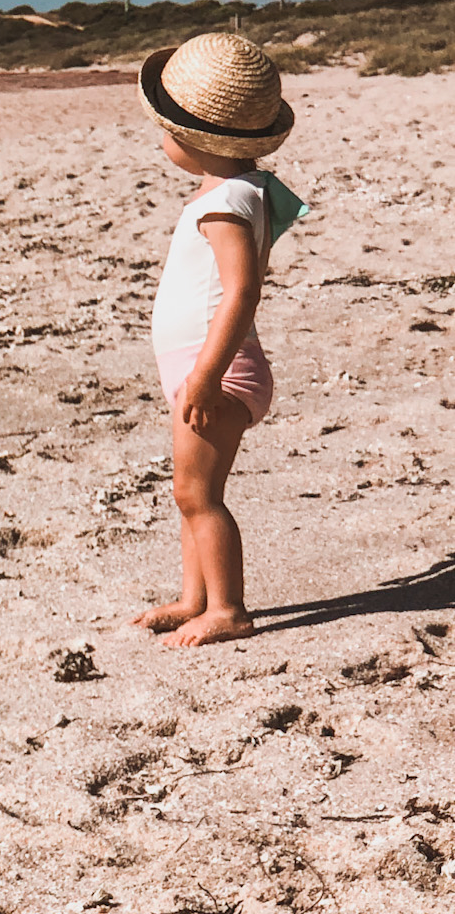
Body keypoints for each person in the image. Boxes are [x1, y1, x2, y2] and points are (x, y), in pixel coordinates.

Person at [132, 32, 308, 647]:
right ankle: (194, 597)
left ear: (192, 140)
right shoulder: (238, 190)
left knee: (198, 493)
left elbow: (241, 293)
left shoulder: (225, 203)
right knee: (189, 492)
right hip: (203, 366)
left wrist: (207, 375)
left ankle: (227, 608)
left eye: (167, 129)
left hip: (217, 370)